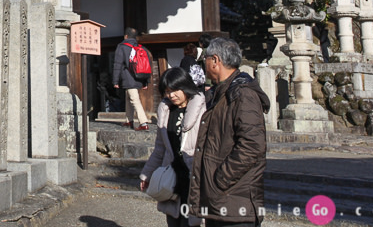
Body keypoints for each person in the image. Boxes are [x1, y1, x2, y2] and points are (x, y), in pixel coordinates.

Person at [188, 37, 270, 226]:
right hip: (219, 201)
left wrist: (220, 179)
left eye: (206, 59)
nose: (204, 64)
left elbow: (252, 145)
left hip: (235, 201)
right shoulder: (220, 93)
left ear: (215, 61)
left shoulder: (242, 94)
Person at [140, 67, 205, 227]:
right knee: (173, 222)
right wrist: (146, 174)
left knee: (191, 223)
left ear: (186, 87)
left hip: (195, 177)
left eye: (175, 90)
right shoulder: (166, 110)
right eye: (167, 91)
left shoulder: (202, 111)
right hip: (173, 177)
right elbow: (160, 148)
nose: (171, 95)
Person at [113, 27, 150, 130]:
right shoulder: (141, 47)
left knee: (134, 99)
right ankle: (129, 120)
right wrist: (146, 81)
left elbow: (118, 65)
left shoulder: (122, 47)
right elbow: (147, 65)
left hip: (128, 77)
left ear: (126, 36)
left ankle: (143, 123)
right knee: (128, 97)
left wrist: (115, 81)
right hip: (139, 77)